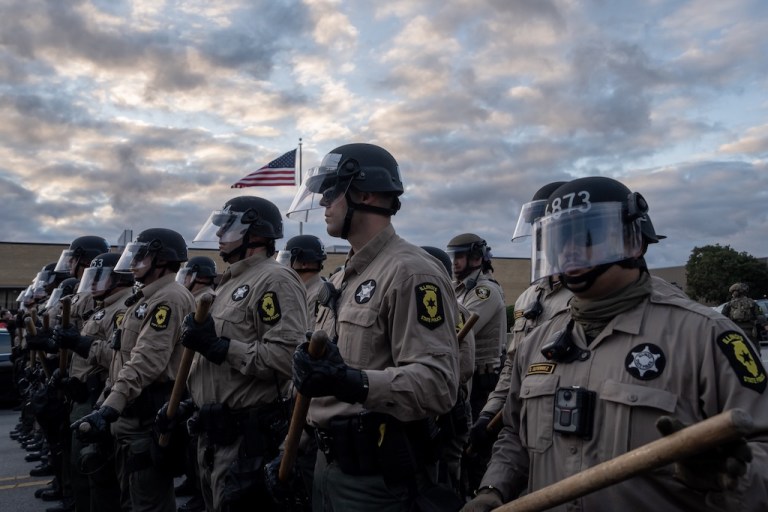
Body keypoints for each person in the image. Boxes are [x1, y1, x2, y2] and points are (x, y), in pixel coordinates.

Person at [462, 176, 768, 512]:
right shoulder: (536, 342)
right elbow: (514, 437)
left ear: (634, 242)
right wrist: (493, 489)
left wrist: (733, 476)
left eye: (588, 235)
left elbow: (760, 447)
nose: (570, 250)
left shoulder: (705, 336)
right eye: (559, 239)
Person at [287, 142, 460, 511]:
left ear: (364, 193)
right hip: (325, 465)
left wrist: (353, 382)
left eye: (331, 191)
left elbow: (438, 385)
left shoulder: (411, 272)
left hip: (376, 482)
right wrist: (291, 449)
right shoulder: (341, 278)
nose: (322, 203)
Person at [170, 196, 307, 512]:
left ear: (255, 232)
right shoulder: (229, 283)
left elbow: (287, 358)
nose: (218, 235)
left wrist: (220, 347)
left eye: (227, 227)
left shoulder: (274, 279)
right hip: (214, 435)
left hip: (247, 439)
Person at [70, 228, 196, 512]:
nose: (133, 262)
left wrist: (109, 407)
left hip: (144, 418)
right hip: (128, 419)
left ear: (161, 260)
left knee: (148, 503)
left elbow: (146, 361)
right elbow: (119, 360)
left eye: (141, 256)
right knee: (129, 499)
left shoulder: (169, 298)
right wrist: (104, 403)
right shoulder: (144, 299)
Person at [469, 182, 572, 458]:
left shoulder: (587, 298)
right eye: (538, 231)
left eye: (548, 230)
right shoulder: (528, 299)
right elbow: (513, 365)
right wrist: (488, 413)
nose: (542, 240)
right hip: (524, 424)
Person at [445, 233, 506, 422]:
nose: (454, 262)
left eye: (459, 256)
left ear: (476, 258)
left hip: (482, 381)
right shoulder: (459, 288)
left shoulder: (485, 291)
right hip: (465, 376)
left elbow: (458, 330)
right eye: (452, 257)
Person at [173, 255, 218, 512]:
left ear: (198, 276)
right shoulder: (196, 299)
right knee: (193, 445)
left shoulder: (208, 299)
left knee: (196, 445)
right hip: (192, 379)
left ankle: (200, 495)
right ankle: (194, 486)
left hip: (201, 380)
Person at [277, 234, 328, 328]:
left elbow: (310, 334)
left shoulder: (318, 295)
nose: (285, 265)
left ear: (304, 264)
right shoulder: (301, 290)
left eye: (288, 259)